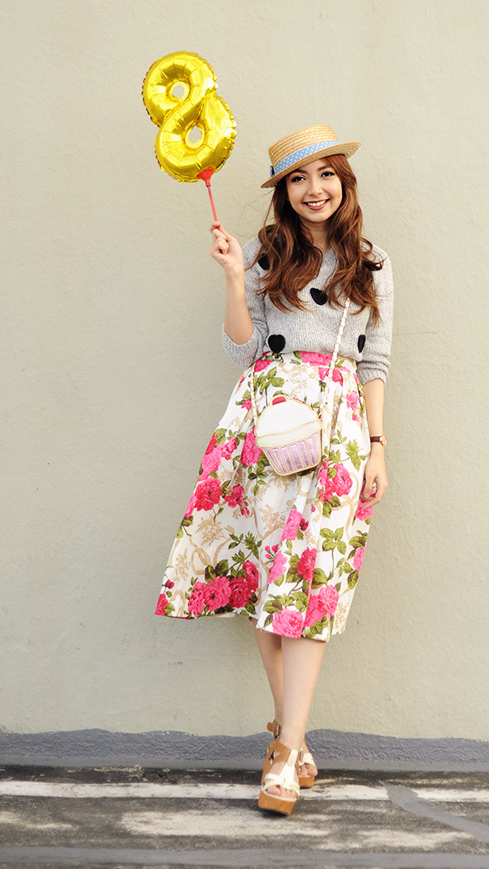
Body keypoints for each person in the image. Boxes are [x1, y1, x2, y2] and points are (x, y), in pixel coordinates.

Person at [154, 124, 394, 815]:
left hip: (337, 427)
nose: (314, 189)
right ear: (284, 192)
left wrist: (377, 444)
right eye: (298, 178)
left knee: (311, 579)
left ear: (344, 182)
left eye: (326, 174)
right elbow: (244, 349)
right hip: (265, 420)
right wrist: (236, 278)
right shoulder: (265, 253)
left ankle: (286, 750)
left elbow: (375, 361)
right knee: (270, 575)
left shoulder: (372, 262)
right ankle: (292, 742)